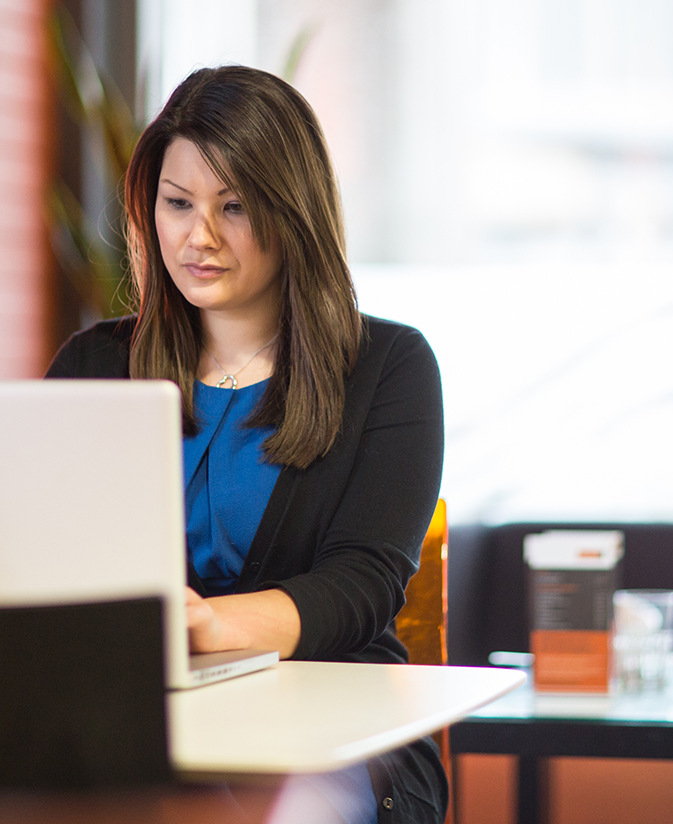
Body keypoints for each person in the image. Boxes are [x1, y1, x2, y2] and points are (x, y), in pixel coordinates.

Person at [46, 66, 447, 824]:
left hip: (330, 736)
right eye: (177, 204)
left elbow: (363, 586)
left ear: (292, 213)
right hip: (137, 726)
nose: (199, 236)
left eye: (234, 207)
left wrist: (207, 629)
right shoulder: (93, 366)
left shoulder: (388, 369)